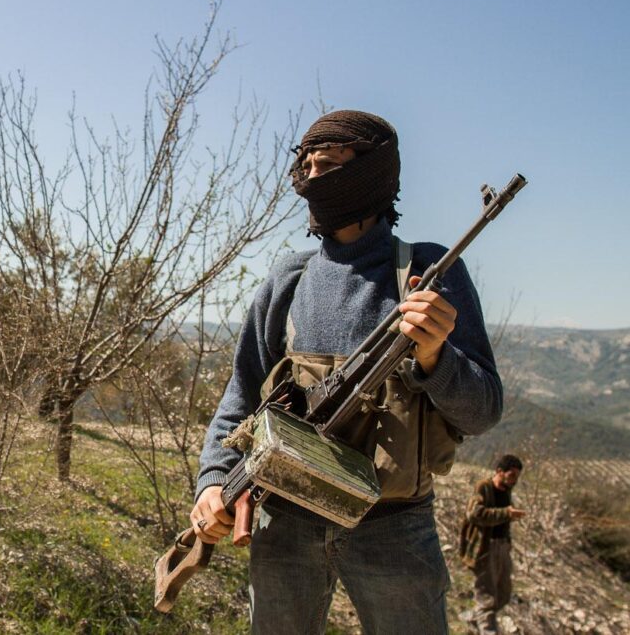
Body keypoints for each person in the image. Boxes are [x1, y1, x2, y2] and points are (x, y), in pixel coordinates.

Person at [191, 110, 504, 634]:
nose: (315, 180)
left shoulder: (428, 273)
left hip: (395, 526)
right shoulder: (288, 280)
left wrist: (435, 358)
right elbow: (241, 398)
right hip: (286, 521)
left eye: (331, 165)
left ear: (375, 174)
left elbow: (484, 410)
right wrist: (213, 481)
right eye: (308, 167)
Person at [459, 454, 525, 635]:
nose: (514, 480)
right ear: (499, 471)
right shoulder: (484, 488)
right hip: (485, 549)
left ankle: (476, 618)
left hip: (502, 547)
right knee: (486, 597)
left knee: (503, 593)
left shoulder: (506, 490)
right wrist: (506, 513)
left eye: (516, 477)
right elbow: (474, 514)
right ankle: (487, 628)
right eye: (511, 475)